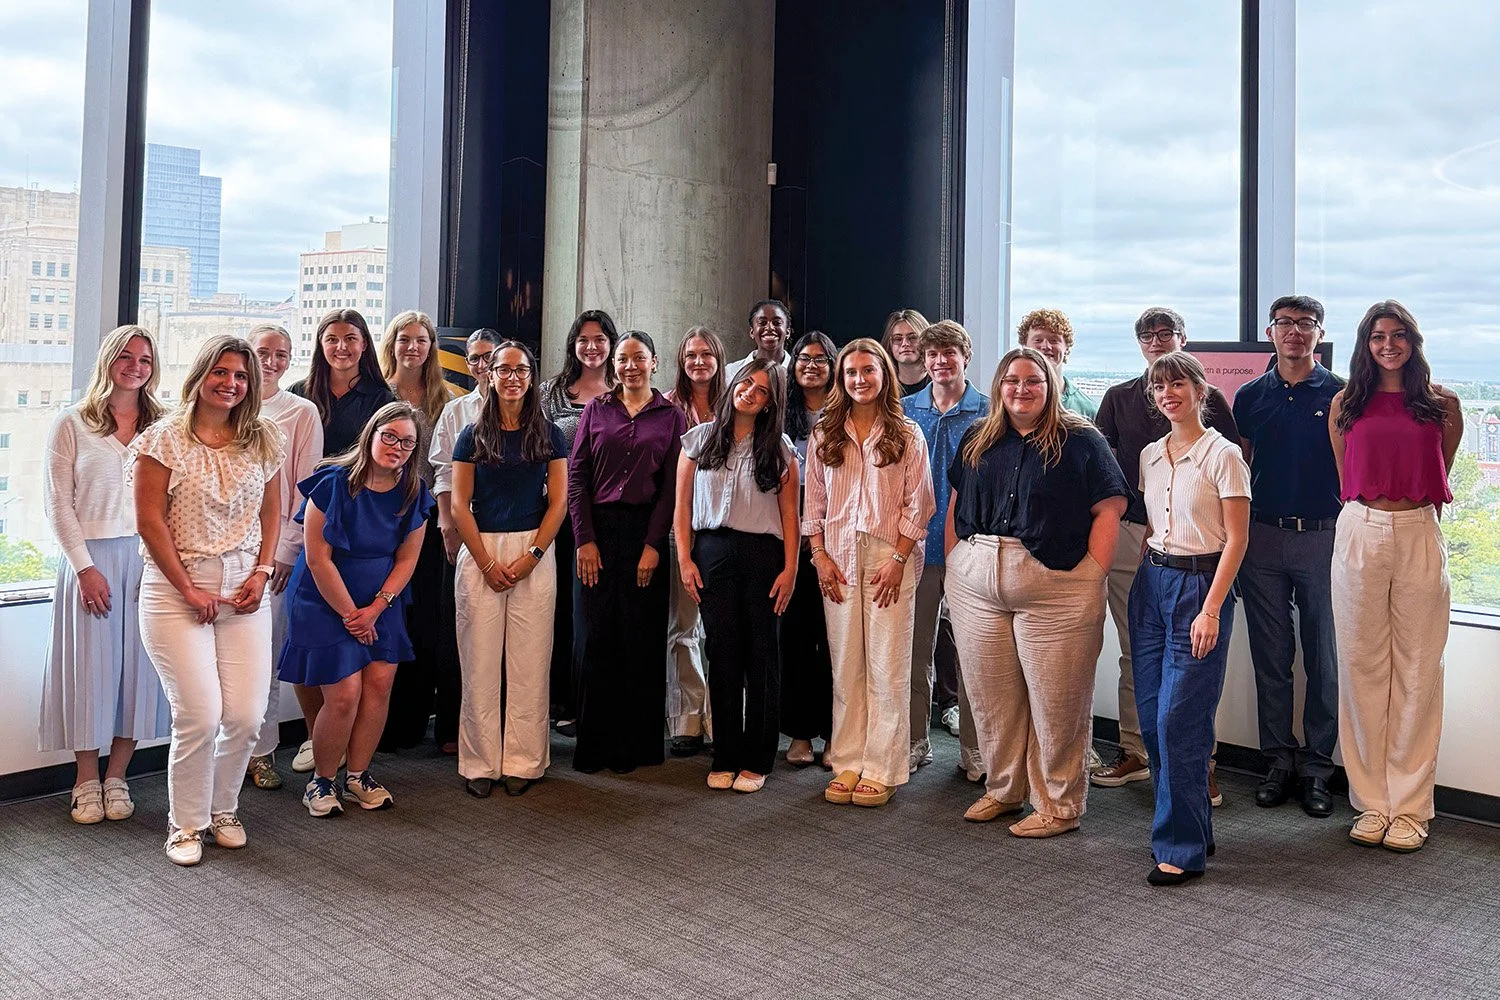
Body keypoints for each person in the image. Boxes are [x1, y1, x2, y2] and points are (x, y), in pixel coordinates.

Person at [946, 347, 1128, 837]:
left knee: (1058, 702)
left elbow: (1109, 508)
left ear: (1050, 386)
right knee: (991, 696)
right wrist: (955, 562)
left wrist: (1092, 574)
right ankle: (1005, 790)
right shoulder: (977, 439)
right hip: (977, 580)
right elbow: (958, 502)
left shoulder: (1082, 440)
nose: (1021, 390)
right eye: (1011, 380)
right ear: (999, 386)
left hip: (1057, 585)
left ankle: (1059, 805)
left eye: (1033, 381)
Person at [132, 335, 285, 866]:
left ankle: (223, 810)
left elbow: (273, 510)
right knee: (198, 714)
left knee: (245, 715)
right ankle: (186, 823)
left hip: (245, 587)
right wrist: (188, 588)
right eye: (221, 372)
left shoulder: (261, 438)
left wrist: (263, 571)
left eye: (241, 376)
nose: (231, 383)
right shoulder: (164, 440)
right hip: (177, 588)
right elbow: (149, 522)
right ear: (201, 375)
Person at [1328, 300, 1461, 854]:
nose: (1389, 344)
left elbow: (1440, 468)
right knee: (1361, 666)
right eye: (1378, 335)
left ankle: (1408, 807)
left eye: (1398, 334)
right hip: (1360, 529)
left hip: (1417, 531)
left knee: (1418, 668)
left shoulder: (1441, 403)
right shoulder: (1345, 403)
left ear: (1413, 341)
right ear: (1365, 343)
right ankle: (1371, 801)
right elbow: (1346, 472)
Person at [1092, 307, 1239, 802]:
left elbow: (1232, 489)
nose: (1155, 341)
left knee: (1193, 671)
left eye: (1165, 334)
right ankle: (1139, 753)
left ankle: (1199, 765)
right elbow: (1104, 470)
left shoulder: (1215, 417)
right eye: (1147, 335)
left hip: (1200, 549)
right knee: (1140, 656)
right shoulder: (1120, 403)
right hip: (1140, 538)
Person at [39, 325, 172, 825]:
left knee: (140, 670)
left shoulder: (163, 426)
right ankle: (85, 780)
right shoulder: (72, 422)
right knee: (89, 671)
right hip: (88, 560)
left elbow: (172, 502)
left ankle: (118, 776)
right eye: (125, 356)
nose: (135, 366)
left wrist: (164, 565)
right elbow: (57, 504)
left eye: (144, 358)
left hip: (148, 559)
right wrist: (85, 568)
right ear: (107, 359)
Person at [277, 402, 434, 818]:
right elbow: (317, 559)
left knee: (379, 686)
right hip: (324, 598)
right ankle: (322, 782)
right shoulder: (332, 482)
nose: (396, 447)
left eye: (407, 443)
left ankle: (358, 776)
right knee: (344, 694)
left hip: (381, 601)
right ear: (371, 434)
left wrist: (375, 610)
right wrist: (352, 614)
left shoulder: (414, 491)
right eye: (390, 437)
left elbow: (407, 561)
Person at [1129, 351, 1250, 886]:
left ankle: (1179, 846)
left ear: (1200, 389)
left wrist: (1210, 609)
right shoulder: (1150, 454)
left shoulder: (1223, 456)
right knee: (1153, 714)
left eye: (1177, 383)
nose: (1167, 393)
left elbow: (1239, 538)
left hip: (1199, 588)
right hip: (1151, 584)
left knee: (1181, 718)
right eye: (1159, 386)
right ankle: (1192, 826)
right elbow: (1156, 524)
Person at [803, 338, 934, 808]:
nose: (859, 380)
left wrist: (898, 559)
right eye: (851, 372)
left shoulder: (907, 432)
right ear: (842, 378)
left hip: (888, 558)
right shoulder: (825, 434)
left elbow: (920, 505)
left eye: (868, 371)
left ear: (884, 376)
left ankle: (882, 766)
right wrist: (818, 555)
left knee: (887, 664)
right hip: (836, 556)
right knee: (846, 665)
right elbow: (813, 503)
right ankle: (848, 759)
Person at [1232, 295, 1343, 818]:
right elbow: (1242, 470)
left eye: (1306, 324)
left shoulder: (1342, 395)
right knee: (1271, 657)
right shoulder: (1250, 396)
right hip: (1263, 539)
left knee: (1322, 657)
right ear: (1270, 332)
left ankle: (1319, 768)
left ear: (1319, 333)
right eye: (1285, 324)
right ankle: (1278, 760)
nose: (1295, 332)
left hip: (1324, 536)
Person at [450, 342, 568, 798]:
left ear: (532, 376)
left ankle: (524, 760)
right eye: (504, 370)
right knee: (478, 662)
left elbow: (558, 502)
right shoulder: (471, 433)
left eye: (521, 370)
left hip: (534, 550)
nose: (513, 377)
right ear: (490, 375)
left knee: (530, 663)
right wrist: (484, 561)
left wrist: (531, 557)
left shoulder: (551, 434)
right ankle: (478, 762)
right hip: (481, 548)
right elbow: (459, 504)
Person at [675, 360, 799, 793]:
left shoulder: (779, 447)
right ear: (733, 386)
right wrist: (685, 559)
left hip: (764, 555)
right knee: (722, 654)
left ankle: (759, 758)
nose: (750, 392)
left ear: (770, 403)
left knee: (762, 657)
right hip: (711, 553)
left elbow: (789, 515)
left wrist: (790, 569)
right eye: (746, 383)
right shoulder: (699, 439)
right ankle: (725, 753)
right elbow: (682, 509)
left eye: (762, 390)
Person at [569, 331, 687, 773]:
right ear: (614, 365)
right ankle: (595, 747)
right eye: (623, 358)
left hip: (645, 530)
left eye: (639, 358)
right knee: (594, 638)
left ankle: (636, 747)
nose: (630, 365)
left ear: (654, 362)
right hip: (596, 530)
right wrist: (584, 539)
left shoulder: (671, 416)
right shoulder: (597, 410)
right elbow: (576, 478)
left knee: (639, 638)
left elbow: (672, 488)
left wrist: (654, 546)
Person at [286, 308, 395, 774]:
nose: (342, 347)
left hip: (360, 523)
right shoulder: (298, 395)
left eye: (351, 338)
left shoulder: (379, 397)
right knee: (310, 638)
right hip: (306, 521)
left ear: (365, 345)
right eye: (332, 339)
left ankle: (345, 745)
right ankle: (316, 732)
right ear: (321, 344)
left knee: (355, 650)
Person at [900, 320, 987, 775]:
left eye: (948, 353)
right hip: (917, 549)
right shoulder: (904, 409)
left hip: (971, 551)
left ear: (964, 357)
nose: (939, 361)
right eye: (932, 354)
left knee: (973, 656)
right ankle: (916, 741)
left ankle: (976, 750)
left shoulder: (989, 411)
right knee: (916, 655)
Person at [244, 325, 324, 791]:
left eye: (281, 354)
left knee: (262, 658)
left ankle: (261, 753)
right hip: (217, 554)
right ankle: (219, 753)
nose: (271, 361)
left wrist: (285, 553)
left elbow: (303, 487)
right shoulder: (227, 402)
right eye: (262, 352)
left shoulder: (300, 412)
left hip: (272, 557)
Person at [379, 310, 460, 752]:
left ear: (432, 347)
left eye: (422, 340)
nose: (413, 347)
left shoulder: (445, 399)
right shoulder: (378, 395)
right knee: (384, 616)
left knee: (423, 621)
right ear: (392, 344)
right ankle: (378, 723)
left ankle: (411, 722)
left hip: (426, 523)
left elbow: (444, 466)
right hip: (381, 523)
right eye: (404, 339)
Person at [541, 309, 619, 734]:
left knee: (591, 611)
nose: (592, 346)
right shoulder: (550, 392)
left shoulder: (625, 390)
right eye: (584, 339)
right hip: (554, 513)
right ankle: (558, 700)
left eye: (601, 338)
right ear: (573, 344)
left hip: (603, 516)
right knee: (556, 607)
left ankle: (589, 700)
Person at [429, 329, 504, 755]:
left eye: (488, 357)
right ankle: (453, 728)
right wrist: (446, 522)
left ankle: (498, 726)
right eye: (474, 359)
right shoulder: (457, 411)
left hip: (512, 529)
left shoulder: (528, 410)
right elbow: (441, 472)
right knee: (458, 628)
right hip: (462, 526)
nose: (480, 365)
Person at [662, 327, 724, 756]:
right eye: (690, 355)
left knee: (723, 631)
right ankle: (686, 718)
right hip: (679, 528)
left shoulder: (737, 401)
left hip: (725, 531)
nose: (698, 361)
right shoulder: (667, 408)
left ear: (719, 358)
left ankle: (722, 718)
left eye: (705, 354)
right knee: (683, 627)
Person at [779, 331, 837, 767]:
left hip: (837, 531)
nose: (811, 365)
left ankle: (836, 733)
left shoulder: (846, 412)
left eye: (820, 359)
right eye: (803, 358)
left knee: (834, 638)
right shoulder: (780, 413)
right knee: (796, 636)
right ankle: (800, 732)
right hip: (786, 528)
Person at [1017, 308, 1098, 419]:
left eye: (1054, 340)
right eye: (1038, 340)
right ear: (1024, 346)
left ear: (1066, 347)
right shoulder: (1013, 403)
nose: (1046, 346)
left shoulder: (1087, 410)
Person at [724, 299, 794, 381]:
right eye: (762, 323)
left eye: (777, 323)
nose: (769, 328)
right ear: (752, 332)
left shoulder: (799, 373)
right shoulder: (731, 372)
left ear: (787, 332)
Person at [882, 308, 932, 397]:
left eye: (913, 337)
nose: (905, 344)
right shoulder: (883, 388)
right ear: (890, 344)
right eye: (898, 339)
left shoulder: (939, 384)